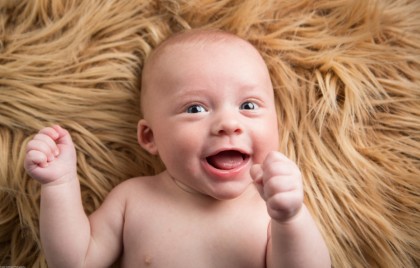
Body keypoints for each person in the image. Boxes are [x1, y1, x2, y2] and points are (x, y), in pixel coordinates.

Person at [24, 29, 331, 267]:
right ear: (150, 137)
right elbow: (75, 260)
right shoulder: (134, 199)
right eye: (195, 109)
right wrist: (60, 185)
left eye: (248, 105)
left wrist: (291, 218)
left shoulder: (270, 210)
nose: (228, 123)